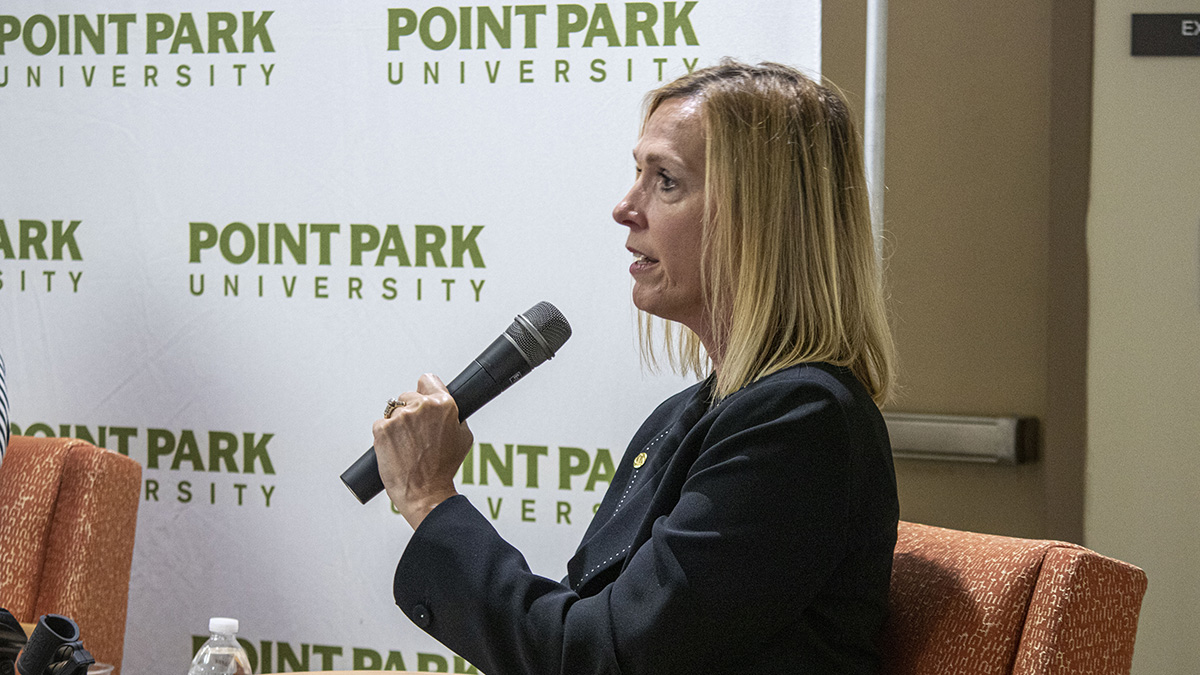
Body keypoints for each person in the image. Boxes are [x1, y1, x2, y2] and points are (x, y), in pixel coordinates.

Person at [372, 60, 899, 674]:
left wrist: (432, 500)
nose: (625, 207)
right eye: (637, 173)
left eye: (667, 181)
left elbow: (594, 661)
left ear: (761, 220)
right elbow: (583, 626)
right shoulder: (685, 418)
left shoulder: (801, 423)